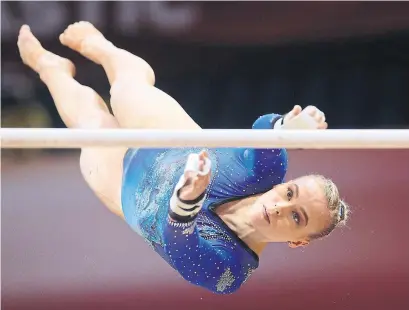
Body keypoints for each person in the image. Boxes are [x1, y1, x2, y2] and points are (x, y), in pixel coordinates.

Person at [17, 22, 350, 295]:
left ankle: (51, 68)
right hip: (170, 136)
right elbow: (264, 130)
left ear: (298, 241)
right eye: (289, 194)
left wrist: (188, 199)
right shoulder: (266, 171)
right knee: (126, 89)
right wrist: (287, 128)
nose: (279, 206)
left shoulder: (229, 270)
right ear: (287, 184)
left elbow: (179, 240)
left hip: (127, 188)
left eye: (296, 218)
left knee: (91, 123)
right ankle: (106, 50)